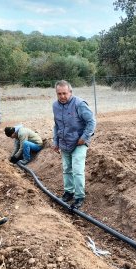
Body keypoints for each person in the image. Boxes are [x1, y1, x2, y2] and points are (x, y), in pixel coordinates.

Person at [52, 80, 96, 209]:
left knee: (77, 170)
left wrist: (84, 137)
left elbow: (91, 122)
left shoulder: (79, 104)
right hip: (65, 142)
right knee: (66, 169)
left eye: (65, 93)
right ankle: (68, 192)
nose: (62, 96)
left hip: (79, 143)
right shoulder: (55, 106)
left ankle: (79, 197)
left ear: (70, 92)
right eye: (59, 94)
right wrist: (56, 142)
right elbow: (57, 125)